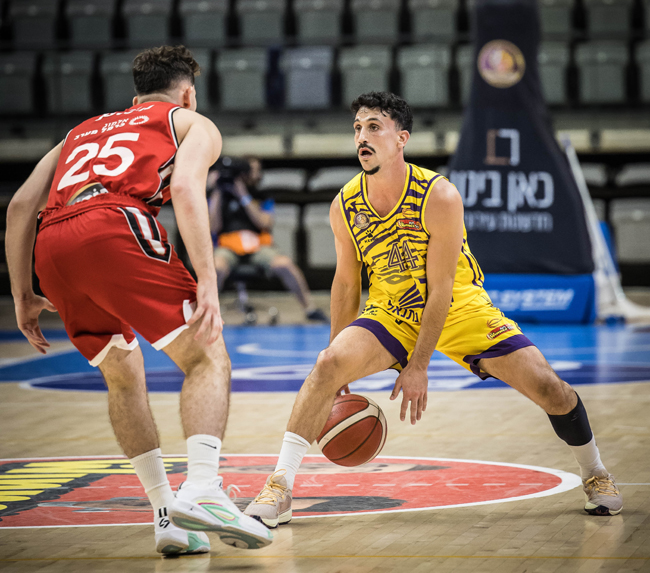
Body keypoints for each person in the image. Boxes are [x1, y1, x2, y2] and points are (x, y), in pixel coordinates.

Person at [243, 91, 622, 528]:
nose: (362, 137)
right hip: (391, 311)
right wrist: (339, 372)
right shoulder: (344, 205)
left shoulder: (438, 195)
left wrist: (419, 365)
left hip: (459, 307)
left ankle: (595, 472)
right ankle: (279, 487)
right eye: (357, 128)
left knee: (549, 387)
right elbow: (346, 283)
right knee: (327, 364)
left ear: (401, 139)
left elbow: (440, 289)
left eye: (374, 127)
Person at [5, 45, 272, 554]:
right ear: (187, 94)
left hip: (52, 245)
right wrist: (207, 281)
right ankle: (204, 488)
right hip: (114, 224)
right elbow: (187, 190)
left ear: (134, 98)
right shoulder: (191, 122)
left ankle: (167, 517)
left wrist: (23, 294)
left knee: (122, 376)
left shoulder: (78, 132)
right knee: (206, 356)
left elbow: (20, 206)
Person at [208, 155, 328, 323]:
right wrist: (217, 191)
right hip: (227, 246)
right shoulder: (220, 195)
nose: (257, 174)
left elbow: (264, 223)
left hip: (259, 246)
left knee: (285, 264)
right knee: (216, 267)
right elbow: (213, 227)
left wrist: (243, 196)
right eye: (252, 170)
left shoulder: (262, 196)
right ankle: (208, 313)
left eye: (258, 170)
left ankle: (310, 309)